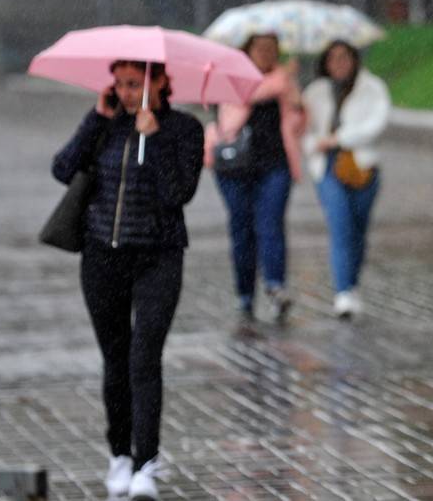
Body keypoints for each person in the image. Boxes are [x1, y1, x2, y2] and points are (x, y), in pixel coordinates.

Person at [52, 61, 203, 500]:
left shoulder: (183, 129)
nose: (124, 91)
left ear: (158, 83)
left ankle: (146, 463)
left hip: (158, 258)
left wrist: (152, 137)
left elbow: (179, 194)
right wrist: (94, 119)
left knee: (144, 357)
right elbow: (62, 169)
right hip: (102, 257)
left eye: (134, 83)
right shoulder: (106, 125)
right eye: (119, 83)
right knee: (115, 359)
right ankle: (119, 453)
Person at [205, 33, 305, 322]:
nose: (266, 54)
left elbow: (295, 127)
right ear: (247, 51)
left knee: (271, 225)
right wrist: (284, 79)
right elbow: (247, 96)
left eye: (272, 49)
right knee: (242, 229)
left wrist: (298, 105)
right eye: (260, 49)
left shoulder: (284, 82)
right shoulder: (233, 77)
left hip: (274, 165)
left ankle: (275, 287)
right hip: (234, 167)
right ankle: (245, 294)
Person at [301, 40, 391, 318]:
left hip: (363, 166)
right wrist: (316, 143)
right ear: (325, 63)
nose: (339, 63)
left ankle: (351, 285)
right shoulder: (314, 92)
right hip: (328, 167)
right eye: (333, 58)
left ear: (354, 59)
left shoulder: (372, 88)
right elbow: (302, 129)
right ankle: (342, 292)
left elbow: (377, 124)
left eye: (344, 57)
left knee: (357, 229)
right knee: (340, 224)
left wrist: (339, 138)